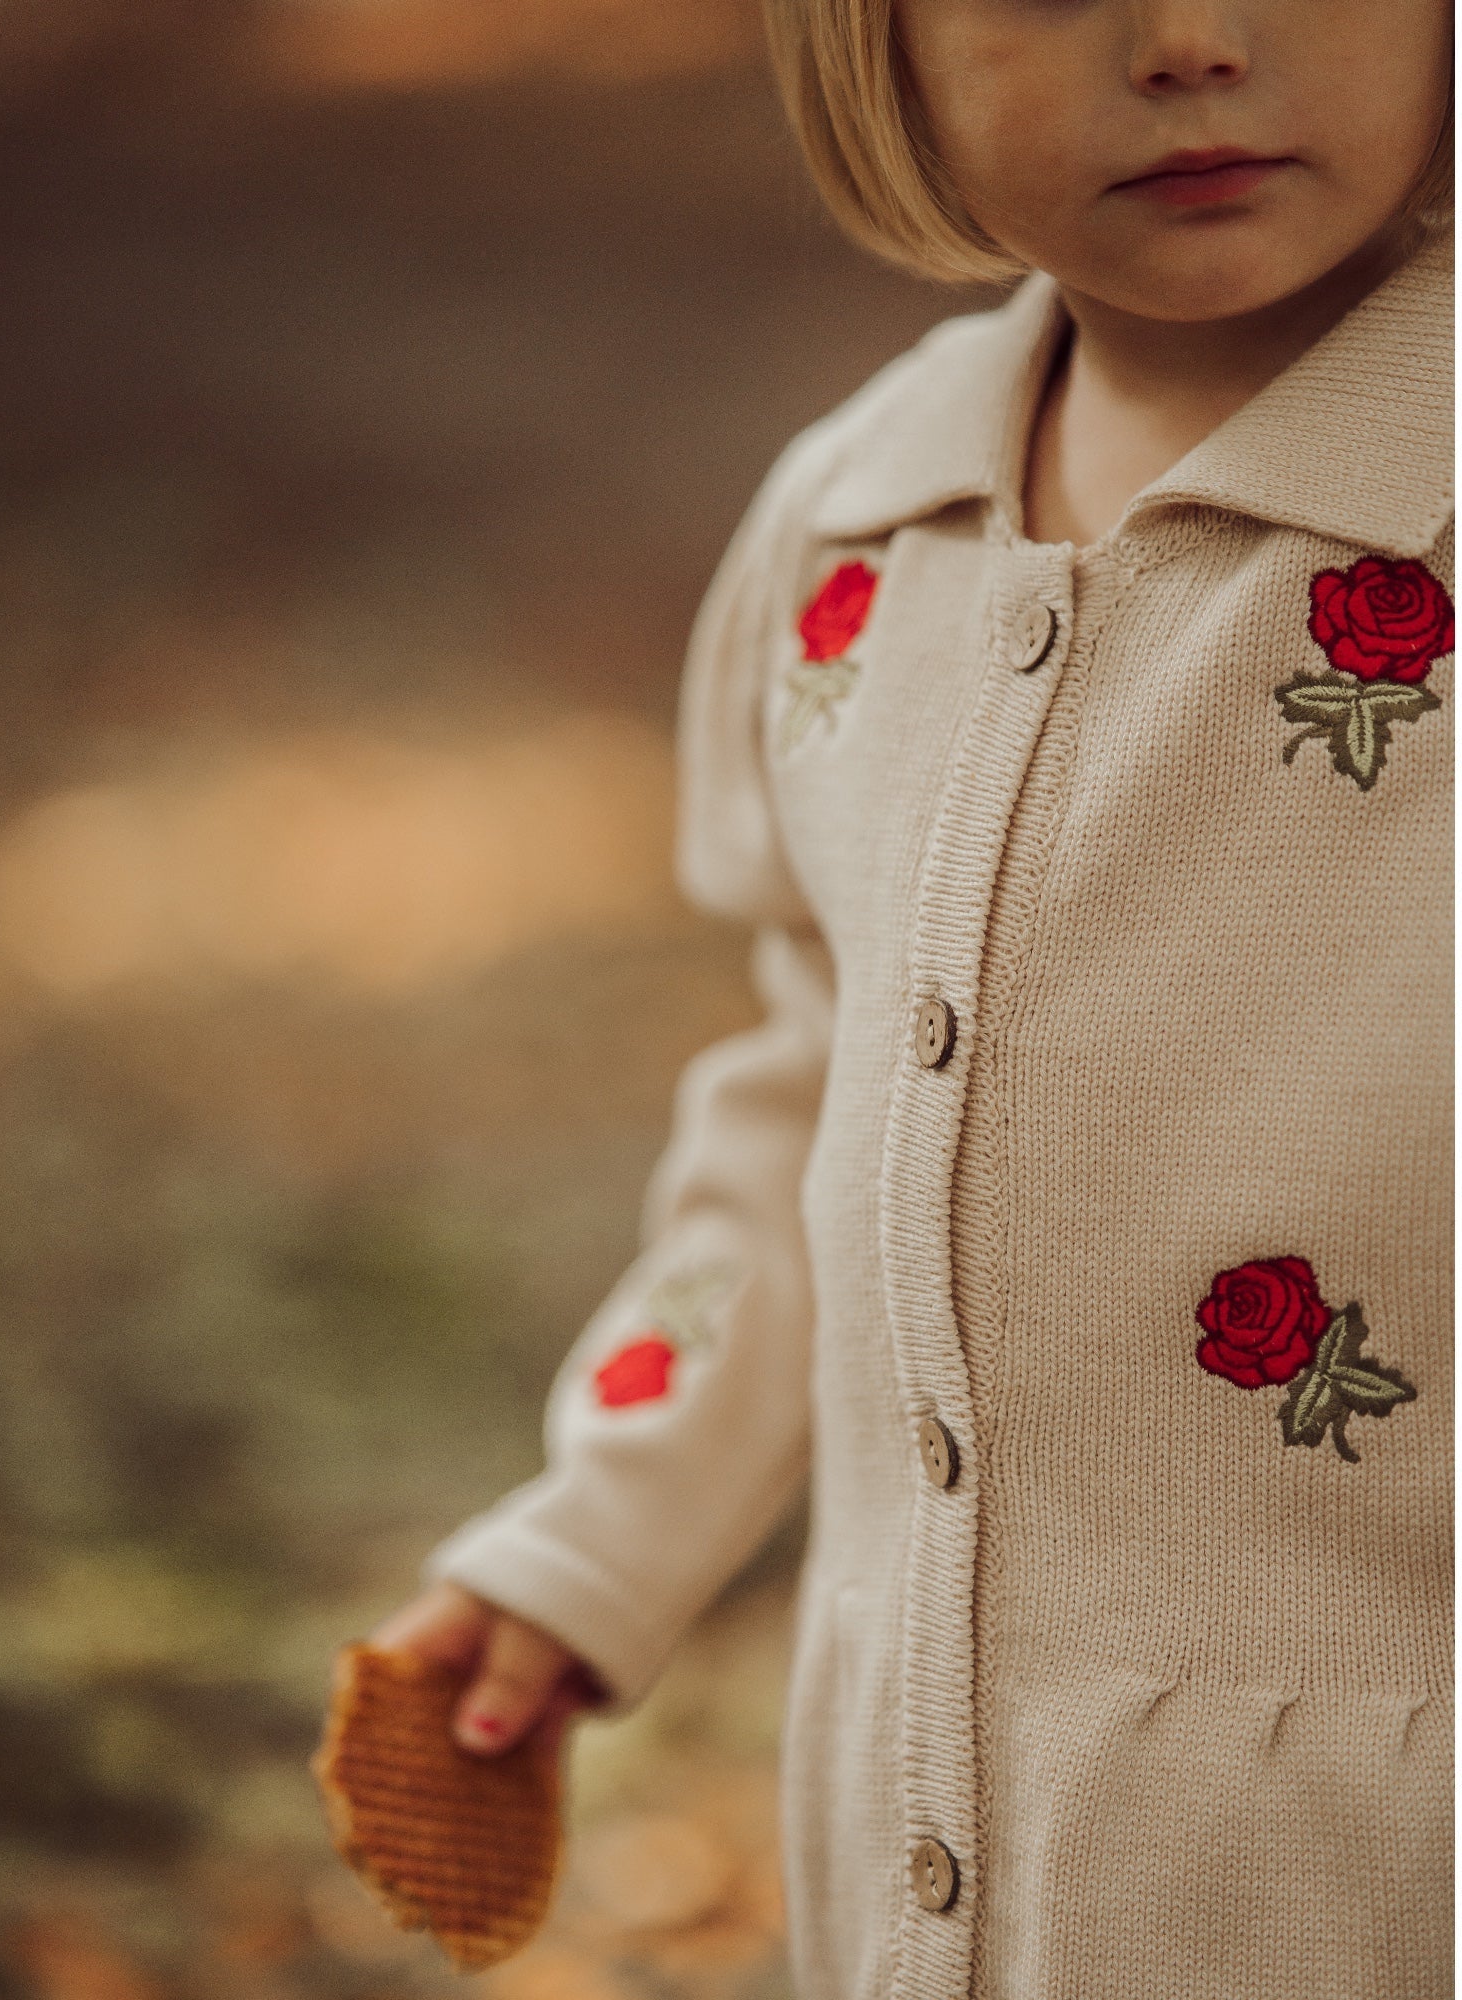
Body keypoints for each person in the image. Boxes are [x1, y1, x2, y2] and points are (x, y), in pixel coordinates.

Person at [370, 2, 1455, 1992]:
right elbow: (820, 1090)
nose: (1188, 41)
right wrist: (600, 1530)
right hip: (938, 1819)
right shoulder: (851, 526)